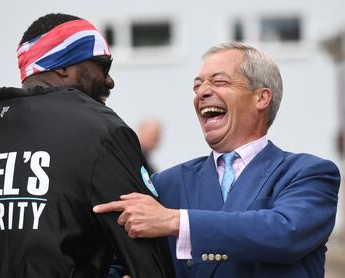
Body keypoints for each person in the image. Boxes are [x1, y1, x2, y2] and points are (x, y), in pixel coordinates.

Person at [0, 13, 174, 278]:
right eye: (103, 66)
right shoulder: (101, 131)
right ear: (62, 66)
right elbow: (149, 263)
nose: (109, 81)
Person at [94, 42, 341, 277]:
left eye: (219, 81)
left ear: (261, 98)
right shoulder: (167, 184)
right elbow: (121, 261)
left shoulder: (310, 173)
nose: (202, 92)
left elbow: (285, 232)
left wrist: (174, 221)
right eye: (197, 86)